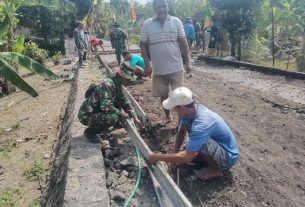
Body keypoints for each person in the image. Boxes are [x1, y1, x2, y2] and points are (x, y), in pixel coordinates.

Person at [148, 87, 239, 180]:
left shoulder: (202, 124)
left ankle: (215, 170)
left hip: (227, 157)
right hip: (216, 147)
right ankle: (204, 159)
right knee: (189, 146)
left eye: (175, 108)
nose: (175, 111)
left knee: (199, 143)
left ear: (182, 107)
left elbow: (187, 157)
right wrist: (174, 156)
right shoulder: (189, 113)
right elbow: (181, 132)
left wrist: (157, 157)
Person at [140, 0, 192, 126]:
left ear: (168, 7)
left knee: (180, 97)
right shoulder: (148, 24)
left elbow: (183, 41)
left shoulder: (176, 21)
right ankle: (168, 117)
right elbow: (142, 44)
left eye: (164, 6)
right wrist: (147, 64)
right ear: (154, 9)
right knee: (163, 95)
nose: (162, 9)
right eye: (159, 7)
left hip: (176, 67)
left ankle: (181, 123)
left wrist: (188, 61)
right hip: (158, 69)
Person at [78, 68, 142, 143]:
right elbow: (105, 106)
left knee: (117, 104)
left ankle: (115, 123)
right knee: (113, 117)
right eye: (127, 79)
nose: (129, 81)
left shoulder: (117, 85)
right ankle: (90, 132)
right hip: (87, 115)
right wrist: (122, 114)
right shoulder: (107, 84)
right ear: (119, 76)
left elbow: (124, 101)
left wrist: (135, 117)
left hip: (98, 111)